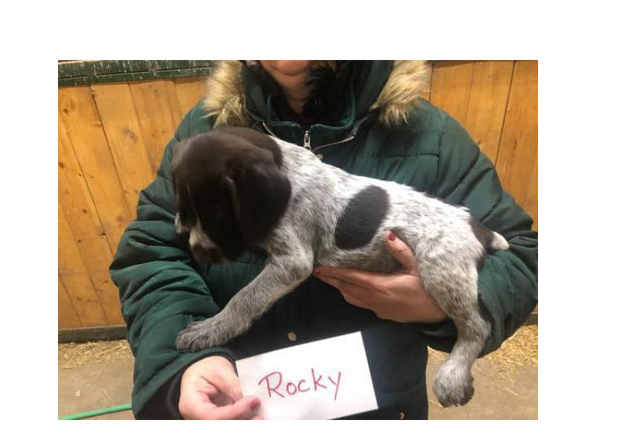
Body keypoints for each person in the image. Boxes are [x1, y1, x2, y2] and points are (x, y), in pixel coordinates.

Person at [109, 60, 538, 420]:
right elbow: (152, 249)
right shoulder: (202, 135)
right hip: (246, 397)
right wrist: (182, 365)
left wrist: (437, 305)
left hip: (379, 409)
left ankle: (466, 345)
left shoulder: (434, 138)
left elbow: (519, 252)